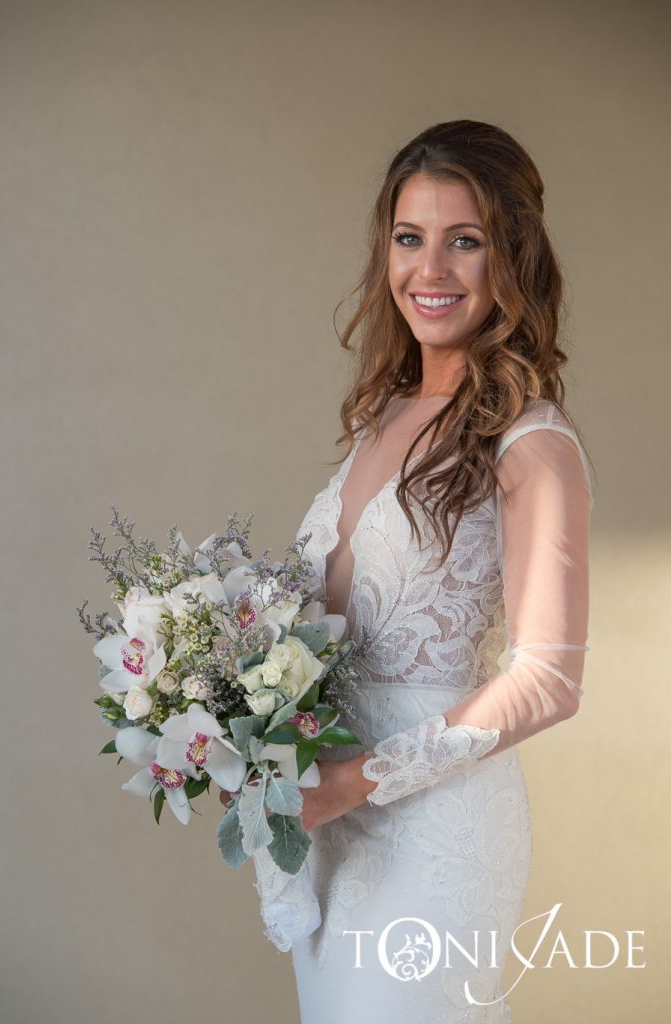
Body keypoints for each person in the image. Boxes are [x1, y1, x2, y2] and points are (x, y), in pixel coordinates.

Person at [220, 119, 594, 1023]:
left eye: (465, 241)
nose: (430, 271)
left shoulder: (533, 443)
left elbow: (549, 680)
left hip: (436, 832)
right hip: (327, 823)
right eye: (409, 238)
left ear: (514, 258)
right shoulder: (380, 414)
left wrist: (356, 781)